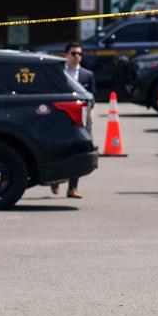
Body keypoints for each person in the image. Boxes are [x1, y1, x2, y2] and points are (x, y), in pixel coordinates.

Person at [51, 41, 95, 199]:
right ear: (66, 55)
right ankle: (55, 179)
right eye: (74, 53)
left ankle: (73, 188)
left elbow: (92, 97)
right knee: (57, 151)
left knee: (77, 151)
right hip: (60, 118)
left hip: (79, 119)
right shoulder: (58, 73)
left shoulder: (87, 75)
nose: (77, 57)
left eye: (79, 54)